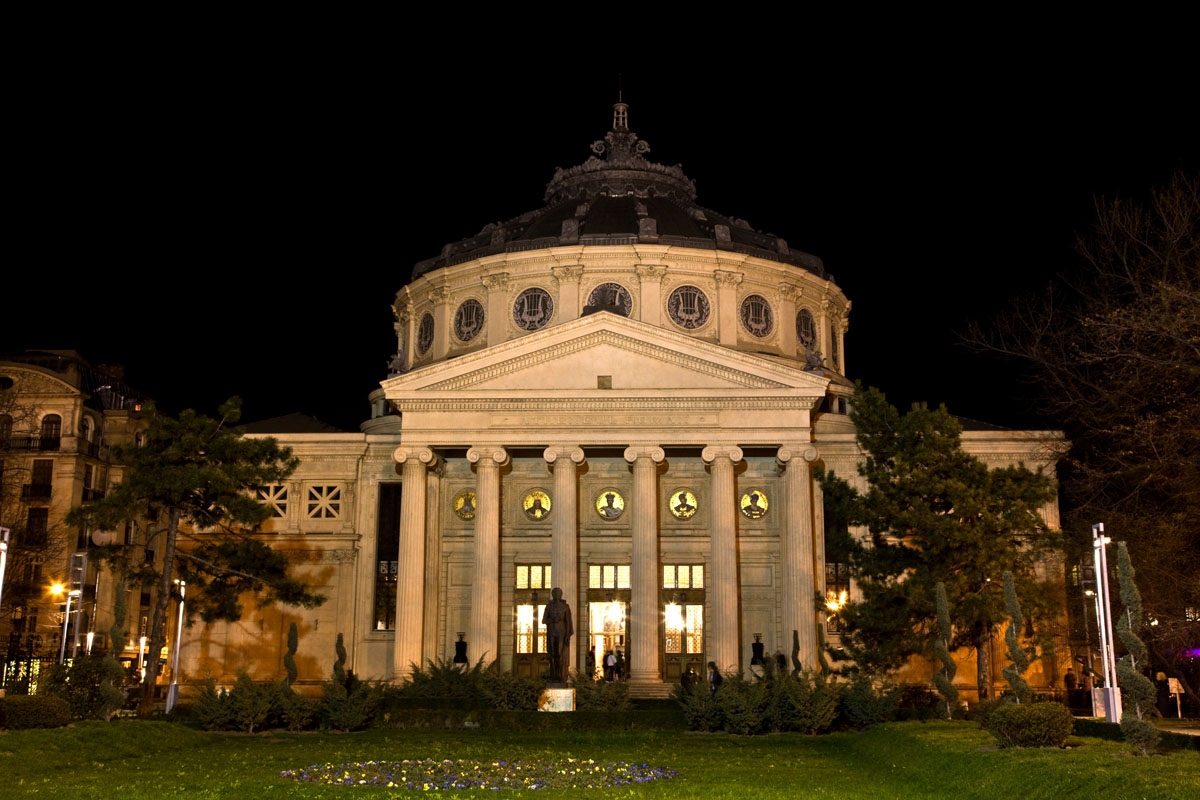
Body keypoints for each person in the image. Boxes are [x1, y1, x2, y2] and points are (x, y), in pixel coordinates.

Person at [540, 587, 573, 683]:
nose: (556, 595)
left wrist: (567, 635)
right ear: (553, 595)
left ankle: (560, 675)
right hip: (552, 632)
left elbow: (568, 622)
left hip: (561, 633)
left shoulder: (565, 607)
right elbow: (544, 620)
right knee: (552, 654)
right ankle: (553, 675)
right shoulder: (549, 606)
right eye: (554, 593)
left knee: (559, 654)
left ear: (560, 595)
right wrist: (552, 620)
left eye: (558, 593)